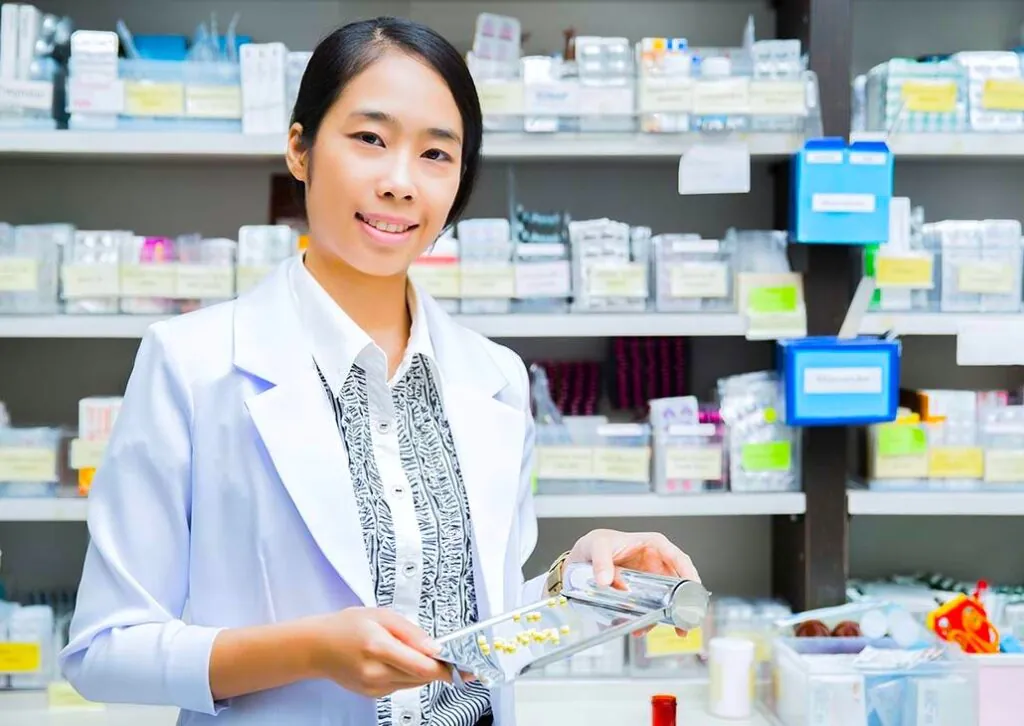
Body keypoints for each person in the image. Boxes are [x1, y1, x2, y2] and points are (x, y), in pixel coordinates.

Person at [59, 16, 700, 726]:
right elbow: (105, 649)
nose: (400, 182)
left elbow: (472, 630)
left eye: (436, 154)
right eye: (370, 139)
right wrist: (310, 650)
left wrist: (583, 580)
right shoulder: (193, 365)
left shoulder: (495, 376)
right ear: (299, 148)